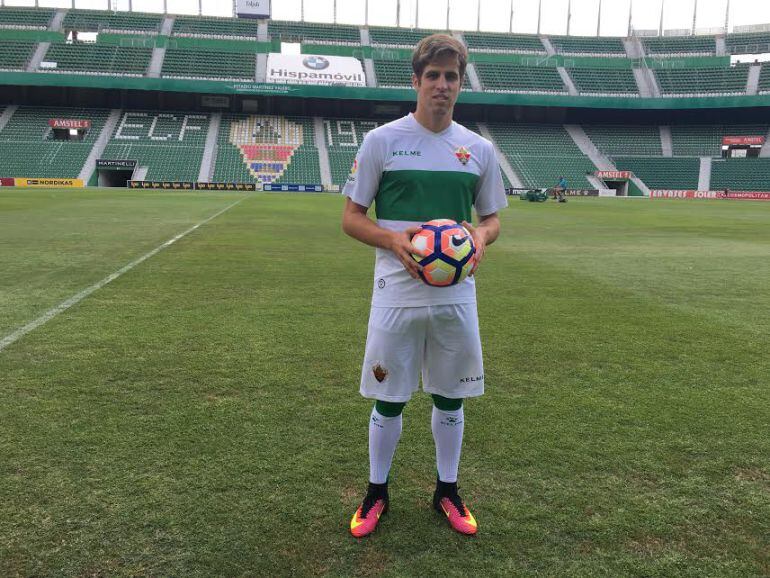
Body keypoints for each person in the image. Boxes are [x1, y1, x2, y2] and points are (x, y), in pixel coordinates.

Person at [341, 33, 508, 538]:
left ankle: (448, 491)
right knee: (389, 396)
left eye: (450, 77)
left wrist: (479, 235)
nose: (441, 85)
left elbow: (492, 220)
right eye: (432, 76)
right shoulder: (382, 142)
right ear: (416, 82)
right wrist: (394, 242)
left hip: (457, 295)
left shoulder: (478, 148)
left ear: (460, 84)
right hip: (396, 292)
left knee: (449, 397)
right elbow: (351, 218)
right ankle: (376, 494)